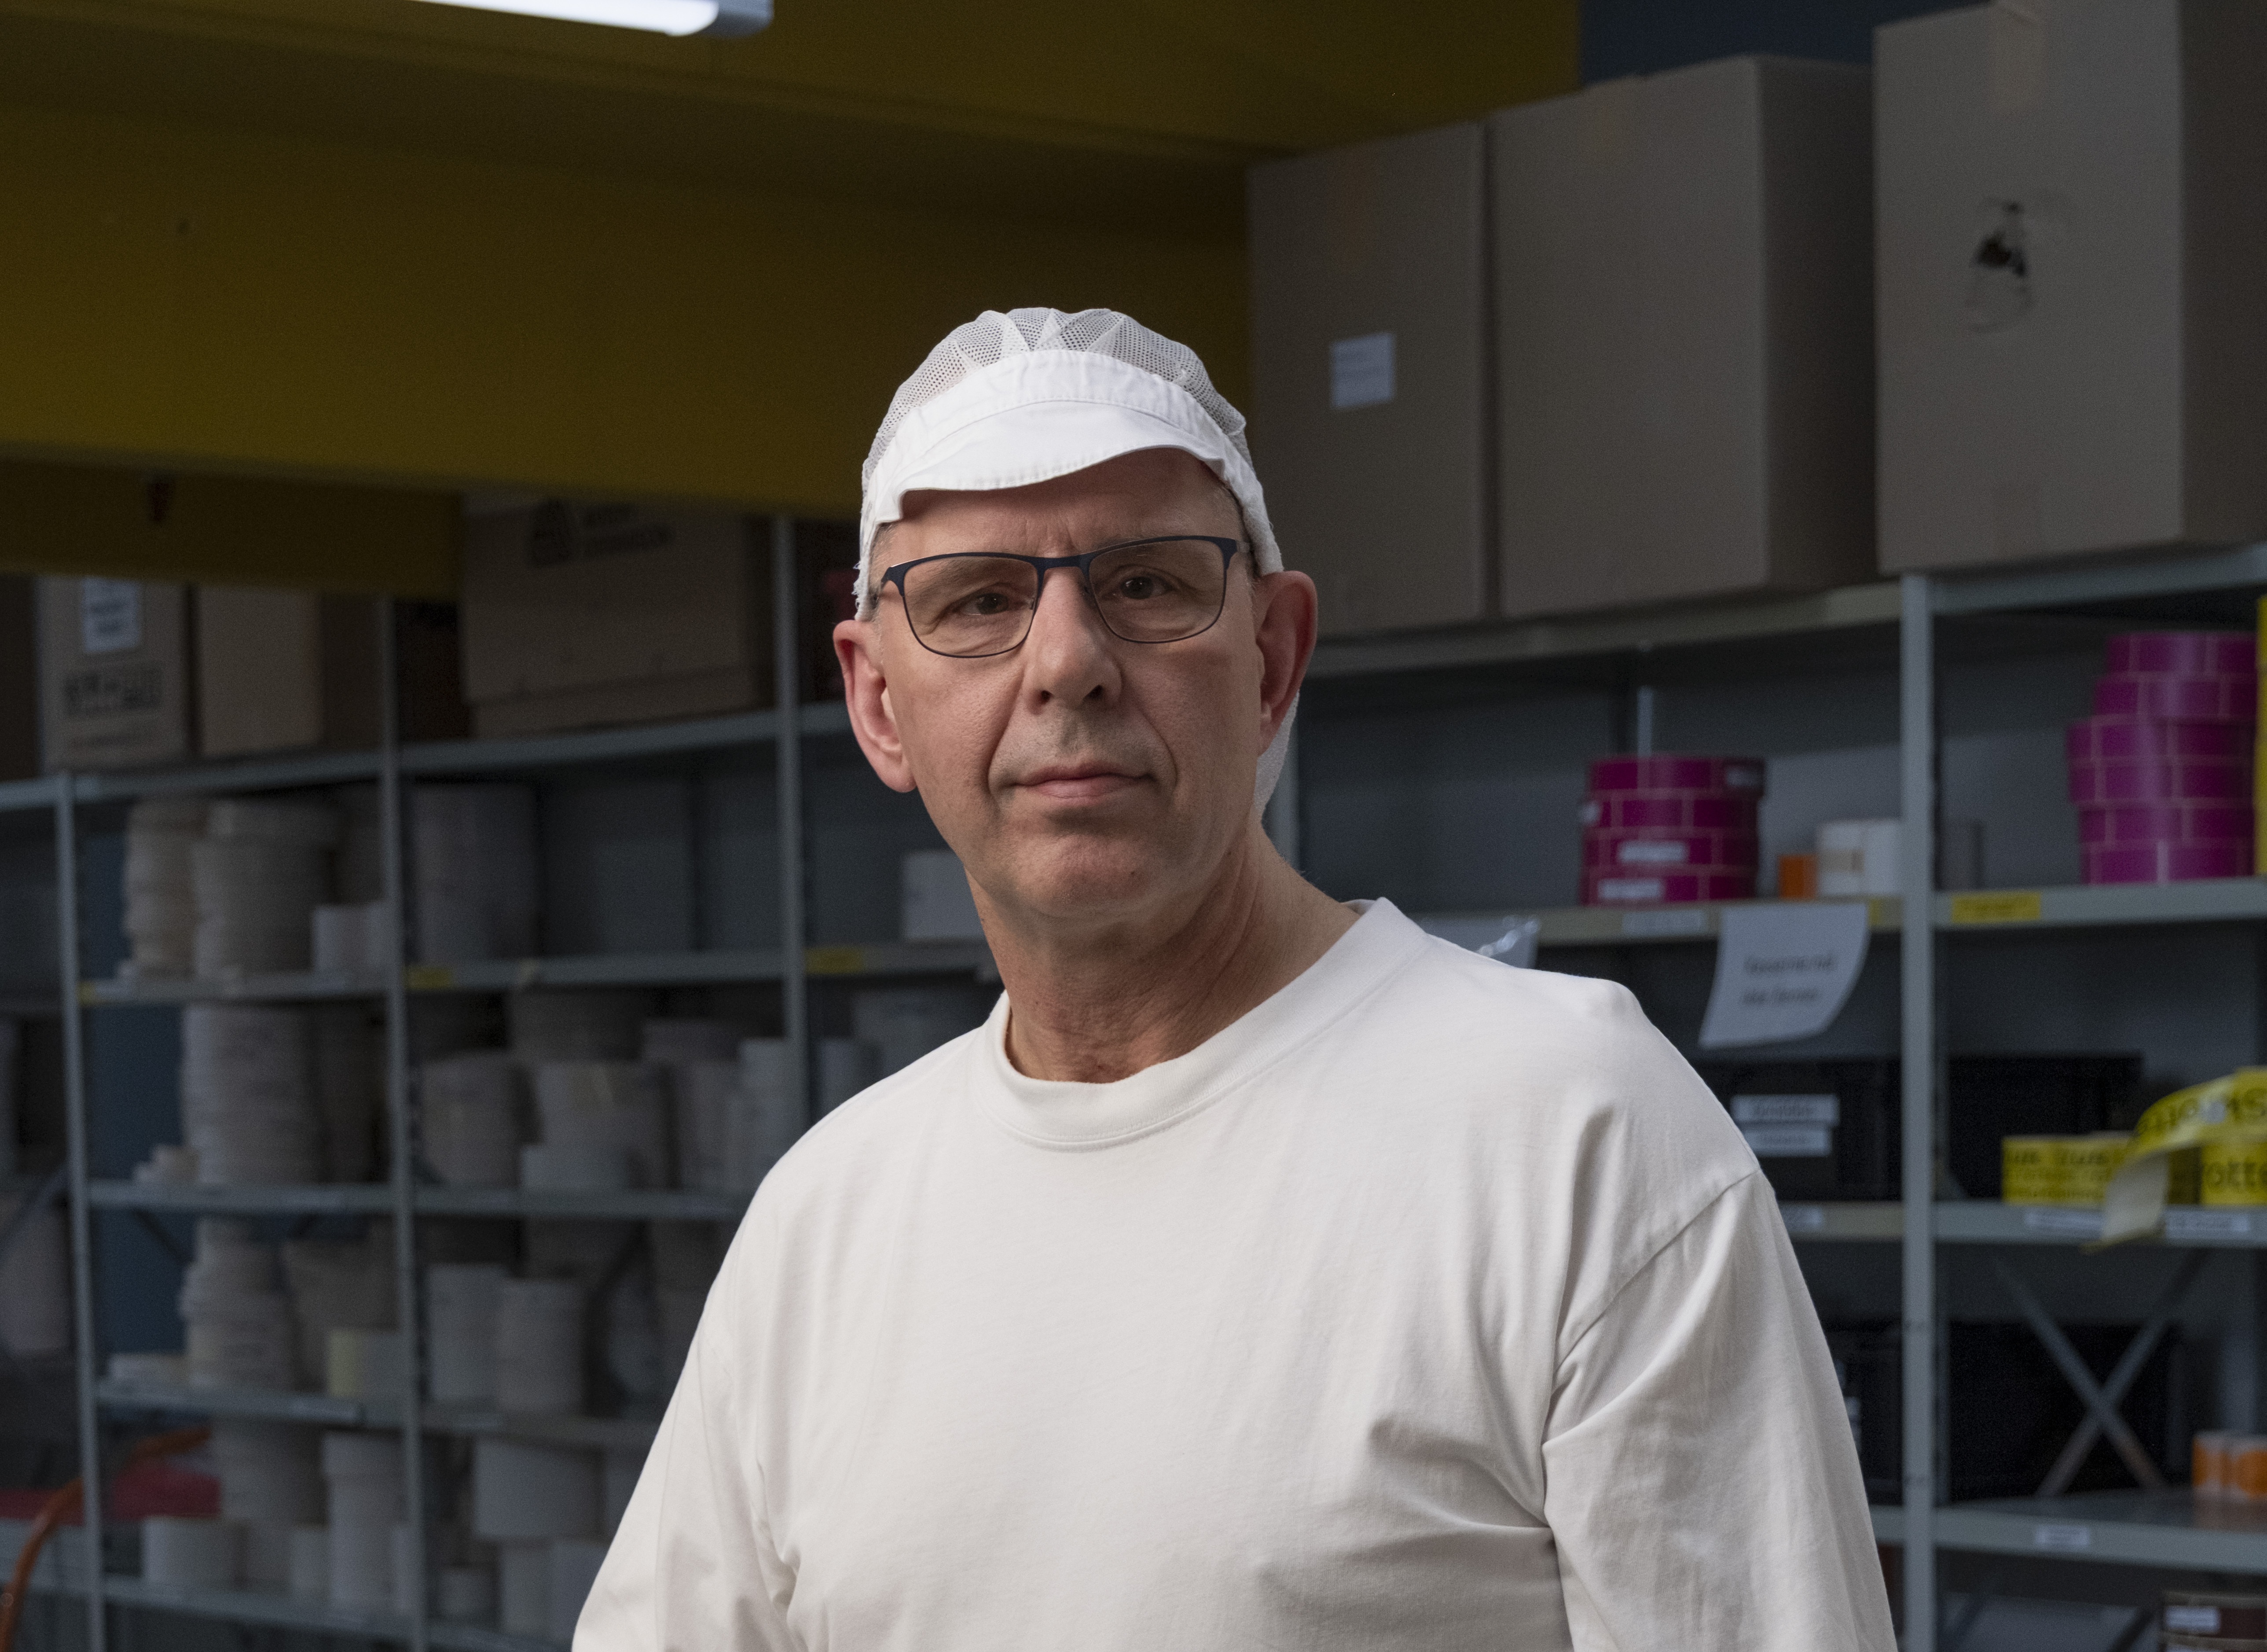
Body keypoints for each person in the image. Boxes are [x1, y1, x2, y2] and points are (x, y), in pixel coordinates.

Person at [579, 308, 1895, 1651]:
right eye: (978, 601)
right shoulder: (826, 1220)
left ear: (1273, 657)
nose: (1068, 664)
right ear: (877, 703)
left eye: (1147, 584)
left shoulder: (1577, 1135)